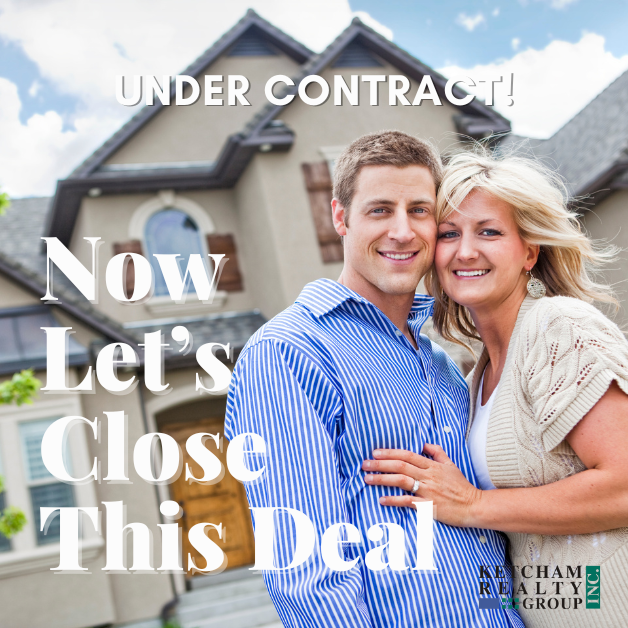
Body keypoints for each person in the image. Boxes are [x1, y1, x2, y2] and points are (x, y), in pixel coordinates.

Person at [225, 131, 523, 628]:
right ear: (340, 218)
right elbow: (306, 569)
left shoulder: (439, 360)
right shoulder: (287, 353)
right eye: (380, 209)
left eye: (419, 210)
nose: (403, 231)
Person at [363, 147, 628, 627]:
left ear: (529, 251)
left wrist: (472, 503)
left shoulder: (557, 327)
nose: (465, 250)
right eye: (449, 234)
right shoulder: (471, 378)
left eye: (489, 231)